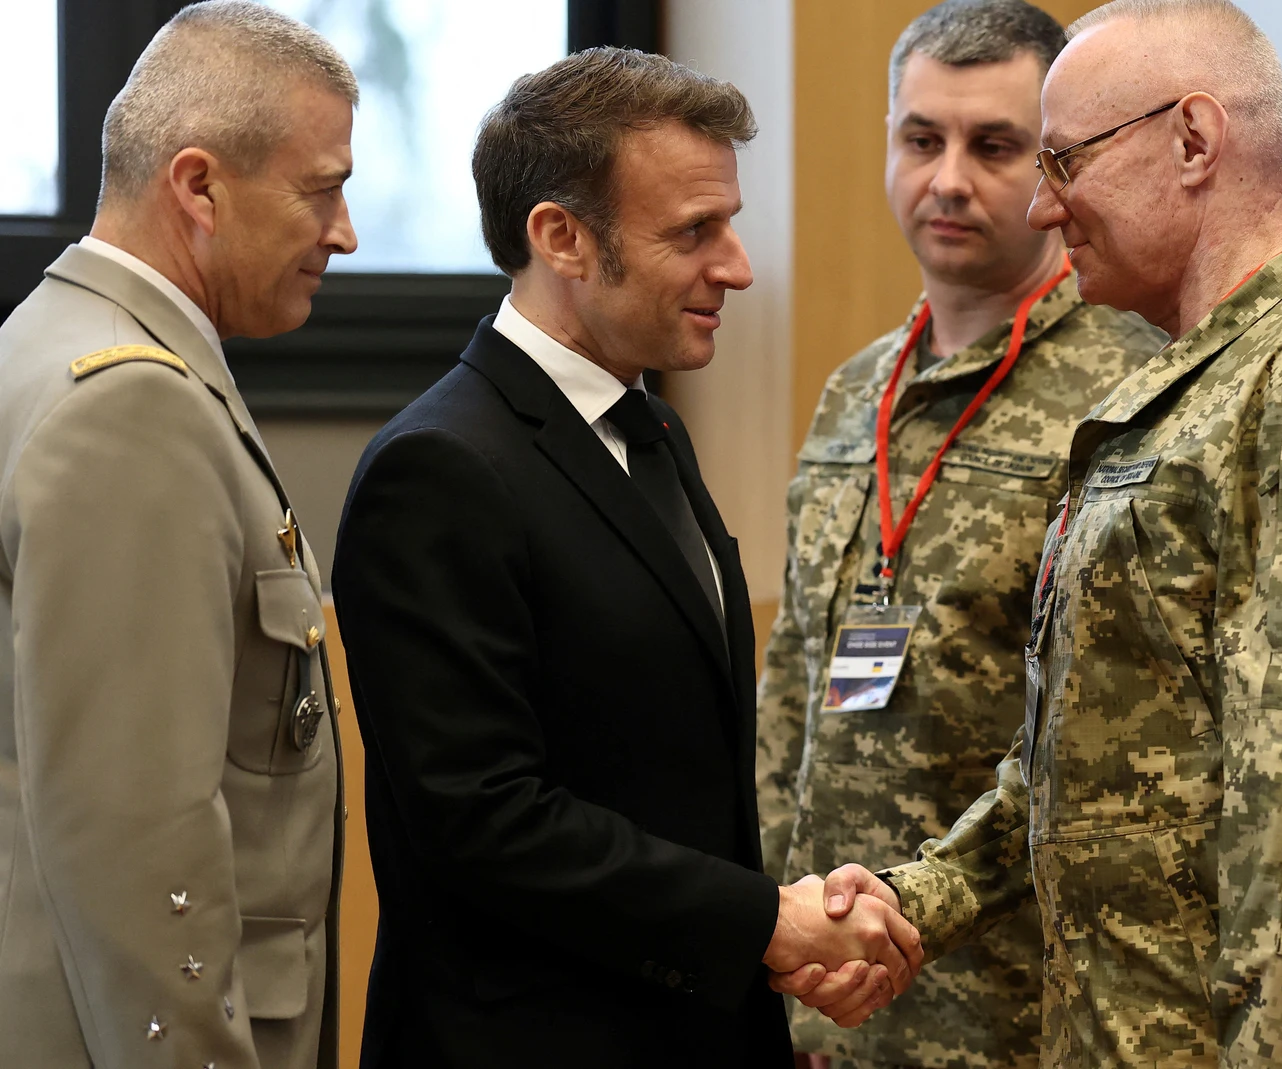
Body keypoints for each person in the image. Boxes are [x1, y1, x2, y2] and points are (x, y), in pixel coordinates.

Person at [788, 1, 1282, 1065]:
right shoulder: (1181, 387)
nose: (1043, 207)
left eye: (1063, 161)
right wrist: (914, 895)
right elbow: (1089, 761)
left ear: (1194, 140)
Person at [330, 48, 921, 1068]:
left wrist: (781, 941)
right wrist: (762, 922)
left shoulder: (650, 428)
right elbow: (483, 821)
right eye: (695, 231)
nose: (734, 264)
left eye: (728, 223)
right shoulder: (437, 468)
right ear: (560, 237)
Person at [756, 2, 1163, 1066]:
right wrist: (771, 942)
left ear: (1054, 166)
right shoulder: (857, 393)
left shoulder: (1129, 389)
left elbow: (1110, 743)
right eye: (920, 139)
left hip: (1013, 1009)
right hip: (824, 997)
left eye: (994, 147)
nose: (947, 179)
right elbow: (794, 694)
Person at [0, 3, 356, 1067]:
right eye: (321, 190)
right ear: (198, 186)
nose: (345, 233)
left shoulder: (48, 336)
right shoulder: (130, 406)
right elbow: (135, 837)